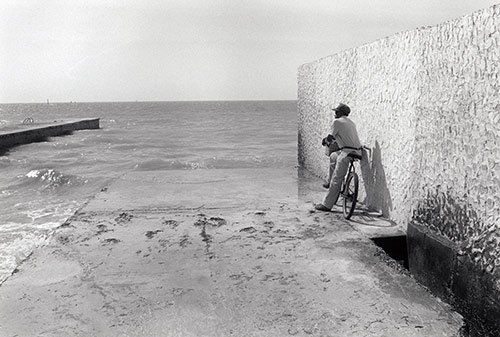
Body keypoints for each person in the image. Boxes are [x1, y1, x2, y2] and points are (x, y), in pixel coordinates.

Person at [315, 103, 362, 212]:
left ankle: (327, 205)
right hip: (357, 152)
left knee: (337, 178)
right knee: (333, 156)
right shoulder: (351, 123)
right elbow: (344, 137)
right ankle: (329, 181)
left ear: (341, 113)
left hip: (346, 153)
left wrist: (325, 141)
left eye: (337, 111)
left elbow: (330, 138)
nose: (335, 113)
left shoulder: (337, 122)